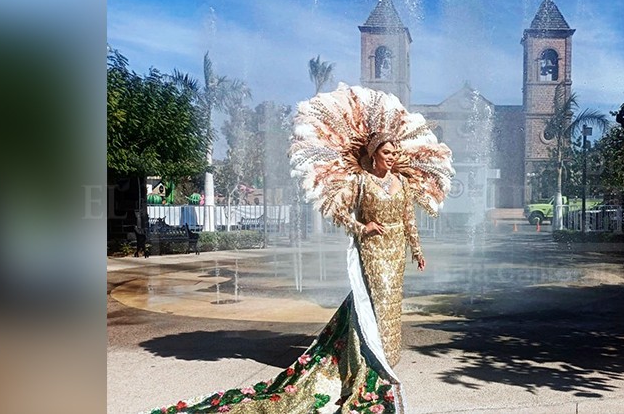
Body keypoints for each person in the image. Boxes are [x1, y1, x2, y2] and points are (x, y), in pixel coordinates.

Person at [147, 85, 452, 414]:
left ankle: (388, 356)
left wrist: (416, 249)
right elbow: (339, 213)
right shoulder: (360, 181)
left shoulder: (401, 182)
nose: (392, 157)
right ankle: (369, 358)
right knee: (374, 298)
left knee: (392, 300)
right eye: (387, 153)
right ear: (374, 153)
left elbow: (408, 218)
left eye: (394, 153)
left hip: (395, 250)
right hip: (372, 248)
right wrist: (362, 228)